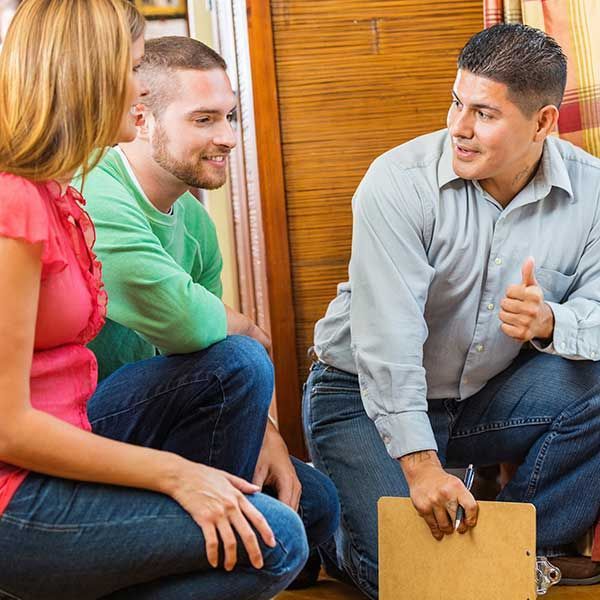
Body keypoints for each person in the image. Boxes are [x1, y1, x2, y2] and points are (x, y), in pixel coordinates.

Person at [0, 2, 311, 598]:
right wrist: (179, 476)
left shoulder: (58, 194)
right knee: (277, 543)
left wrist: (206, 471)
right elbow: (10, 427)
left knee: (295, 507)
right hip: (17, 492)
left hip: (77, 436)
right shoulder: (17, 202)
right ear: (89, 72)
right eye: (135, 65)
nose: (141, 86)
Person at [304, 23, 600, 598]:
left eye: (485, 114)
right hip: (359, 397)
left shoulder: (593, 194)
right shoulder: (397, 183)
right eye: (456, 102)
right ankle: (328, 531)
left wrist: (552, 323)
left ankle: (516, 545)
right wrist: (419, 467)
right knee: (410, 583)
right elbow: (387, 344)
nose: (458, 129)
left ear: (542, 123)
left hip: (475, 402)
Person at [78, 35, 339, 588]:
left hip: (155, 423)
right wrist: (241, 320)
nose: (227, 137)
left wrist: (267, 433)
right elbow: (193, 324)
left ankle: (182, 556)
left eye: (230, 117)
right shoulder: (95, 192)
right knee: (240, 360)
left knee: (314, 500)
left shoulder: (194, 224)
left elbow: (206, 346)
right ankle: (204, 547)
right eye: (203, 119)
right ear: (142, 119)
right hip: (80, 430)